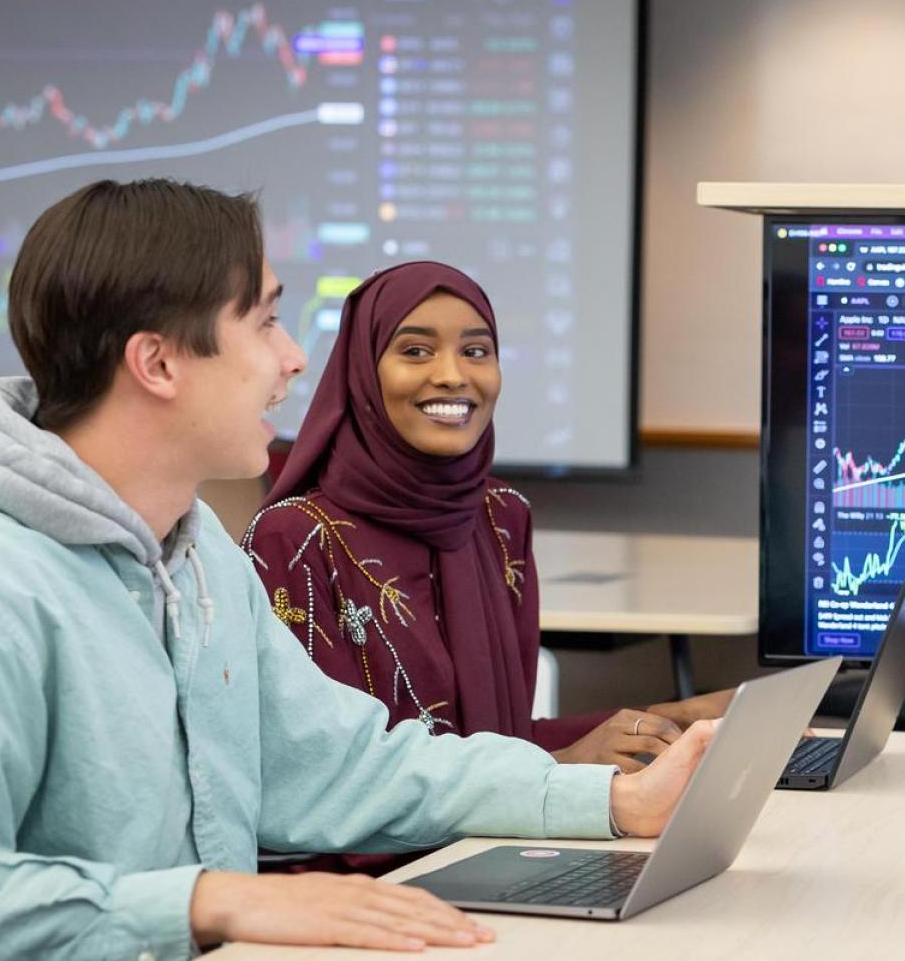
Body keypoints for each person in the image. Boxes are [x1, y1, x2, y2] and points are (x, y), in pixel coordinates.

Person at [0, 179, 713, 958]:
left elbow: (346, 765)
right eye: (263, 323)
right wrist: (210, 901)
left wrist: (612, 800)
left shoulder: (202, 565)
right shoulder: (0, 585)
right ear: (158, 363)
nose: (294, 359)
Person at [244, 261, 730, 782]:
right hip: (375, 863)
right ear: (361, 370)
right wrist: (556, 769)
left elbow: (504, 741)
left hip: (500, 837)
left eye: (476, 351)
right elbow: (324, 783)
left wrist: (672, 719)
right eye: (415, 351)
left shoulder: (498, 517)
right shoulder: (293, 539)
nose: (454, 374)